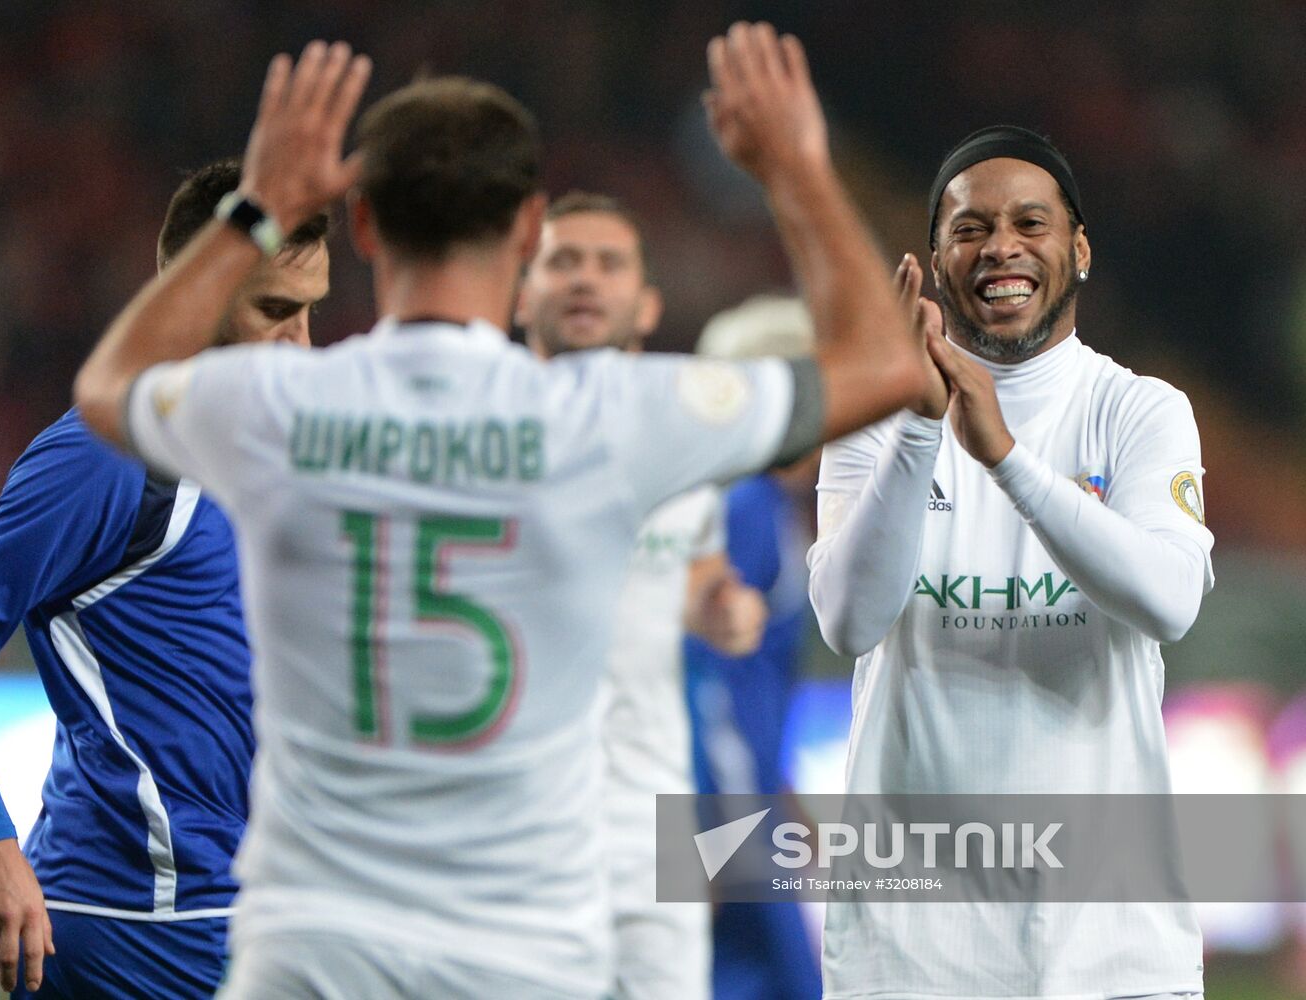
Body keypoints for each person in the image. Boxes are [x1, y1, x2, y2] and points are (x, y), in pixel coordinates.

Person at [71, 28, 926, 998]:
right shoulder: (603, 418)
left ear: (362, 226)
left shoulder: (280, 407)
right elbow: (884, 364)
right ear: (529, 231)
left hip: (312, 947)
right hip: (520, 952)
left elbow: (110, 383)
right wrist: (793, 167)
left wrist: (257, 210)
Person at [808, 125, 1214, 998]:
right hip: (909, 955)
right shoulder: (871, 417)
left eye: (1031, 222)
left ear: (1079, 249)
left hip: (1112, 950)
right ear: (935, 259)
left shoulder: (1140, 411)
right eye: (970, 227)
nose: (1001, 245)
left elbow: (1171, 600)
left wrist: (1008, 462)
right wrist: (919, 429)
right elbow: (848, 621)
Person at [0, 158, 329, 998]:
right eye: (275, 311)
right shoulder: (112, 453)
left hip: (267, 917)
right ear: (191, 289)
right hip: (128, 929)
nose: (302, 344)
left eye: (312, 313)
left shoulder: (290, 453)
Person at [516, 191, 769, 1000]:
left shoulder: (686, 440)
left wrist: (724, 607)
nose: (586, 279)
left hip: (651, 828)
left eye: (609, 262)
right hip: (512, 830)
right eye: (564, 260)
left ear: (648, 303)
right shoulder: (482, 434)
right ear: (524, 293)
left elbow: (696, 576)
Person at [686, 294, 823, 1000]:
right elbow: (709, 680)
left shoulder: (761, 505)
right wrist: (725, 824)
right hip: (729, 810)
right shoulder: (743, 508)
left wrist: (783, 797)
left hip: (744, 796)